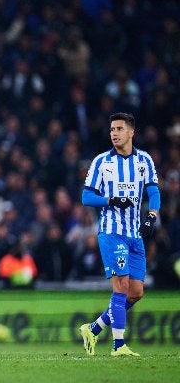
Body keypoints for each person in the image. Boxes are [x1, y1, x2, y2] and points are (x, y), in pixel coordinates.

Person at [80, 112, 160, 357]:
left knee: (136, 293)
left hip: (135, 235)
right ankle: (118, 346)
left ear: (131, 132)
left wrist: (152, 215)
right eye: (112, 129)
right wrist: (111, 199)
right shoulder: (102, 162)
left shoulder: (144, 160)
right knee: (122, 286)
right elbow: (86, 197)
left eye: (119, 129)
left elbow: (154, 192)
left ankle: (93, 328)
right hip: (111, 232)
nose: (114, 133)